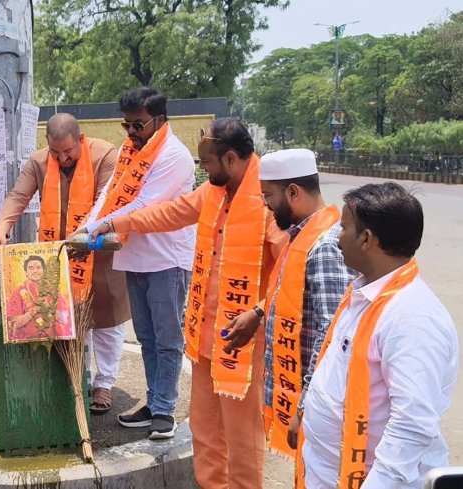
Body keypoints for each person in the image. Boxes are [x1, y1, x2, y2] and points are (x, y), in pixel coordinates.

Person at [92, 118, 288, 487]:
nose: (203, 170)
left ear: (230, 159)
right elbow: (169, 212)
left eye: (207, 163)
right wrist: (117, 222)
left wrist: (259, 311)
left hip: (243, 344)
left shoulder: (268, 200)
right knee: (204, 428)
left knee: (242, 438)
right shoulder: (213, 192)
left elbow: (290, 268)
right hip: (205, 338)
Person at [300, 183, 458, 489]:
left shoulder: (413, 318)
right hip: (329, 473)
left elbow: (410, 427)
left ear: (366, 239)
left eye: (344, 227)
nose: (337, 236)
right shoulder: (363, 293)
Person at [0, 112, 130, 414]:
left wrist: (82, 236)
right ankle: (75, 380)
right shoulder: (38, 162)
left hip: (98, 251)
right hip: (58, 258)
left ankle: (103, 384)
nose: (62, 158)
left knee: (107, 320)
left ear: (80, 139)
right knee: (66, 319)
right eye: (55, 152)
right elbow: (18, 196)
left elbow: (105, 203)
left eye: (68, 151)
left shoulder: (105, 155)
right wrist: (1, 230)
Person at [80, 87, 196, 439]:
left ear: (159, 120)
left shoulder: (174, 155)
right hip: (134, 257)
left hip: (166, 259)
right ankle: (153, 402)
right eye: (126, 125)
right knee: (146, 337)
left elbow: (144, 205)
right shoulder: (129, 152)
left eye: (138, 125)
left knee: (167, 338)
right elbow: (109, 195)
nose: (131, 132)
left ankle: (164, 409)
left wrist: (97, 229)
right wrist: (84, 228)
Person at [223, 149, 354, 458]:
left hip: (318, 405)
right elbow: (292, 294)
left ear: (293, 192)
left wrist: (305, 406)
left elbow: (331, 334)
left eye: (268, 195)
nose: (265, 204)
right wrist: (259, 312)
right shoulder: (302, 235)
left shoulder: (325, 246)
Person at [5, 255, 71, 341]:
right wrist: (30, 313)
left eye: (38, 267)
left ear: (44, 271)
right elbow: (11, 324)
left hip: (54, 340)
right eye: (31, 268)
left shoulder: (53, 291)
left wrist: (51, 309)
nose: (35, 271)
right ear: (26, 272)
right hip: (26, 341)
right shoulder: (18, 293)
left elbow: (65, 319)